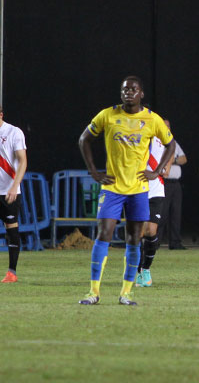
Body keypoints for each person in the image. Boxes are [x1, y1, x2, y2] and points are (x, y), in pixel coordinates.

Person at [78, 76, 175, 306]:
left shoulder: (152, 119)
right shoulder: (107, 115)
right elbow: (84, 139)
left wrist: (157, 171)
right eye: (124, 89)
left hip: (138, 189)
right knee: (104, 235)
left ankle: (126, 293)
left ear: (141, 93)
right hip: (112, 187)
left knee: (134, 240)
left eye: (133, 89)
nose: (128, 92)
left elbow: (170, 144)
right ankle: (93, 292)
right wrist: (93, 171)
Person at [136, 133, 173, 287]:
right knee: (137, 233)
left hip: (156, 189)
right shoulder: (133, 136)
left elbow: (172, 148)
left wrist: (167, 166)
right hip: (136, 189)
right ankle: (136, 270)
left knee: (151, 230)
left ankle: (146, 269)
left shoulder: (160, 138)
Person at [0, 106, 27, 283]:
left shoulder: (13, 132)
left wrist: (14, 186)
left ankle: (12, 272)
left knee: (11, 228)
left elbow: (22, 160)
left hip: (8, 191)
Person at [159, 119, 187, 250]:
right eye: (165, 126)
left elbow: (184, 159)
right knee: (162, 213)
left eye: (169, 126)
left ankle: (175, 243)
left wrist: (173, 160)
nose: (167, 129)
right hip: (163, 182)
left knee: (176, 214)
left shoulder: (174, 143)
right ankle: (155, 242)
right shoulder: (156, 143)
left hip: (175, 184)